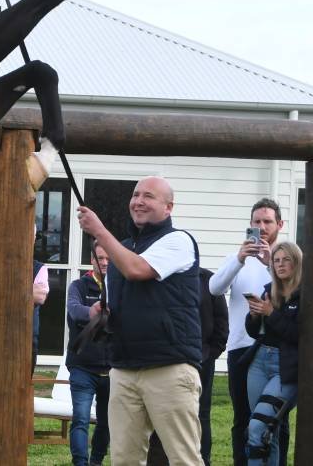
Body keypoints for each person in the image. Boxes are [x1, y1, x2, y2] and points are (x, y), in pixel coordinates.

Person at [77, 176, 203, 466]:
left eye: (149, 196)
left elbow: (137, 269)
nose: (138, 201)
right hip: (123, 368)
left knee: (184, 460)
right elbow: (125, 290)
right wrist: (103, 310)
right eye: (135, 195)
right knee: (124, 460)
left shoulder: (179, 240)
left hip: (169, 367)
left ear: (168, 207)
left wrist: (98, 231)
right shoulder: (122, 247)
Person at [209, 197, 287, 466]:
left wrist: (269, 263)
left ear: (280, 224)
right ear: (250, 225)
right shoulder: (238, 258)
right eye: (257, 222)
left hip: (277, 349)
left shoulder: (286, 260)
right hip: (241, 348)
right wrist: (240, 259)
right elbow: (214, 288)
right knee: (242, 418)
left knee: (276, 419)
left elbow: (293, 295)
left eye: (267, 221)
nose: (262, 227)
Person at [149, 259, 230, 465]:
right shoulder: (163, 279)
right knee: (162, 412)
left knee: (201, 413)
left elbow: (221, 321)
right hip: (167, 360)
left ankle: (203, 459)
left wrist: (211, 354)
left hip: (202, 359)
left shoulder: (209, 281)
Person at [243, 242, 302, 466]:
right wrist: (255, 316)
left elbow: (299, 335)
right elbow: (253, 332)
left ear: (296, 263)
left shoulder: (306, 294)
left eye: (286, 259)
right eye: (276, 261)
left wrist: (271, 313)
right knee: (268, 430)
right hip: (259, 363)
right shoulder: (269, 290)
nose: (280, 265)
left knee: (257, 426)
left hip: (286, 367)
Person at [64, 240, 112, 466]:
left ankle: (96, 461)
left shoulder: (119, 287)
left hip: (113, 368)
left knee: (106, 422)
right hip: (82, 366)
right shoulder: (78, 286)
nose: (104, 263)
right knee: (81, 419)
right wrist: (92, 311)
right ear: (92, 259)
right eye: (100, 258)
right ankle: (80, 463)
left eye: (108, 259)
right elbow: (74, 311)